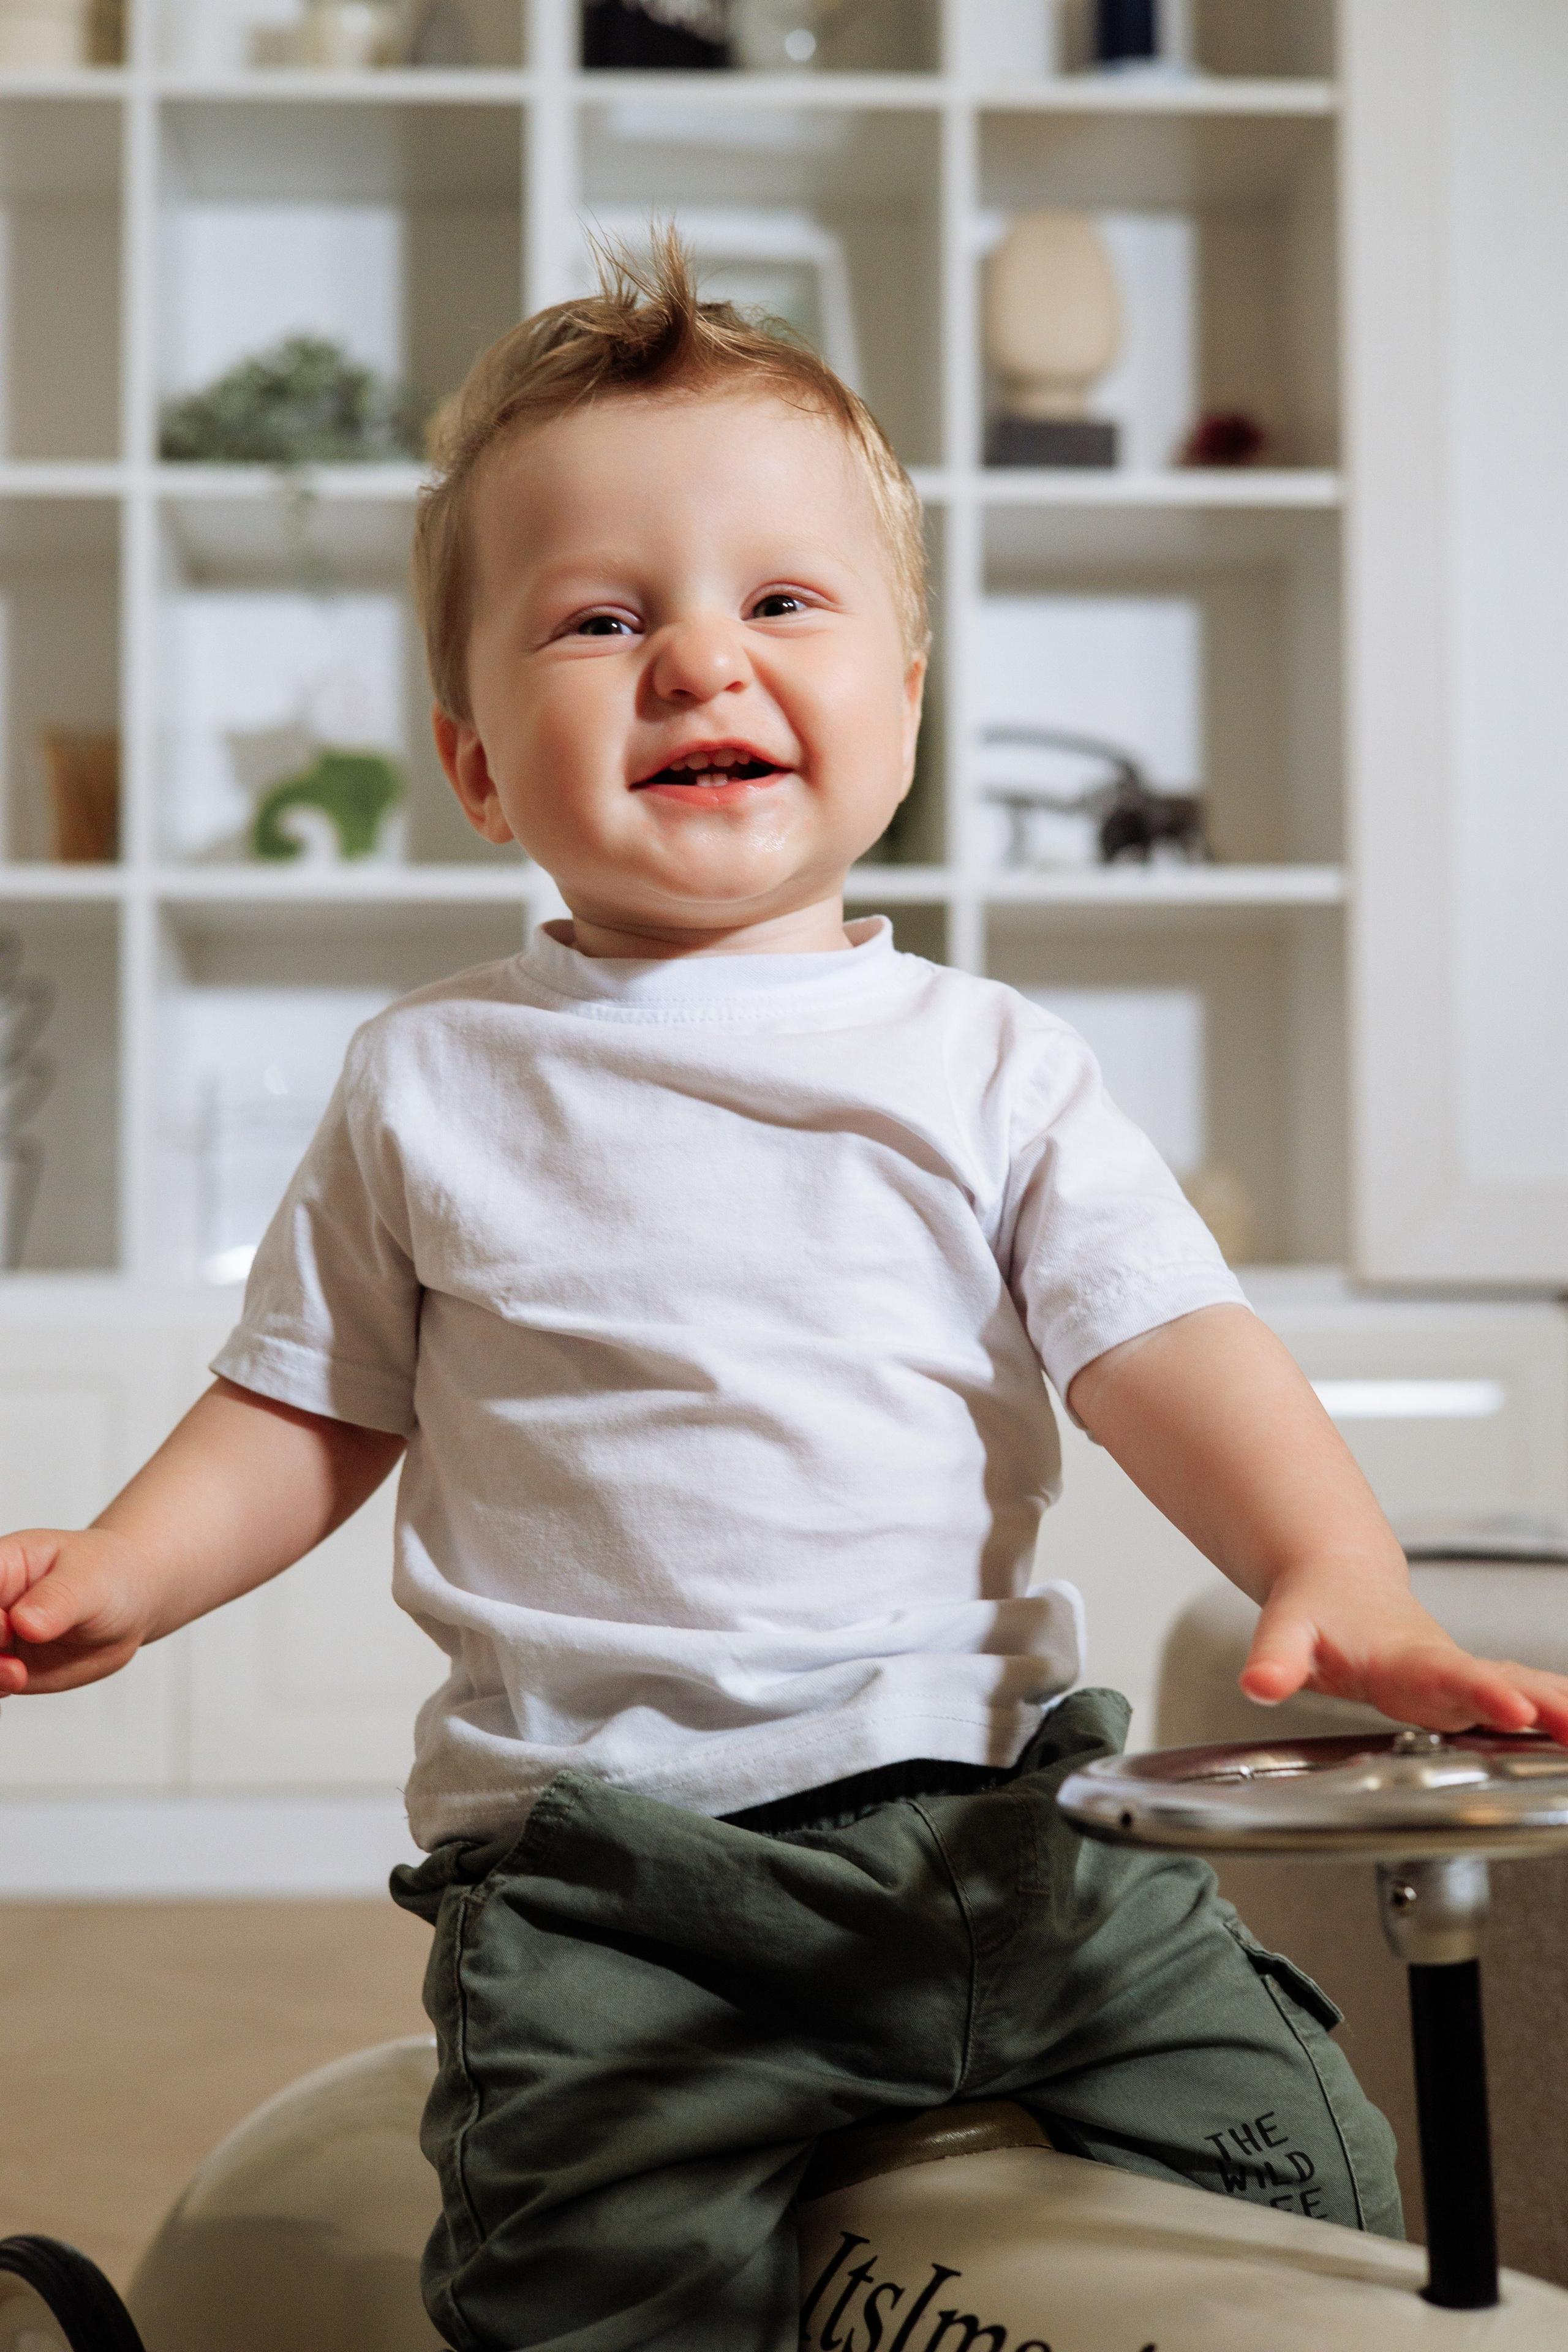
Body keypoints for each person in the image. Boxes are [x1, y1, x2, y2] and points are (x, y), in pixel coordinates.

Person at [4, 239, 1567, 2352]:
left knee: (1301, 2159)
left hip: (1009, 1827)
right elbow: (309, 1405)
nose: (699, 665)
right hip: (623, 1884)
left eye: (784, 605)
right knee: (588, 2282)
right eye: (603, 617)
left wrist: (1338, 1565)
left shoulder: (988, 1059)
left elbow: (1162, 1343)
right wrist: (126, 1565)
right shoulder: (434, 1079)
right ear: (476, 765)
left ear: (903, 710)